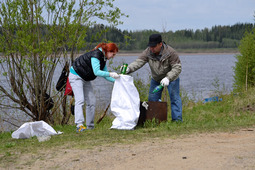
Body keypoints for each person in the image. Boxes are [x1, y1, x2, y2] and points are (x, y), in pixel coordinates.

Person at [124, 34, 182, 122]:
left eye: (154, 46)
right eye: (150, 46)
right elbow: (138, 62)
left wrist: (168, 78)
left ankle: (177, 120)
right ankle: (154, 120)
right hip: (156, 79)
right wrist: (129, 68)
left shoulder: (170, 52)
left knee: (174, 98)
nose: (152, 48)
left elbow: (177, 67)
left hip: (171, 79)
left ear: (160, 44)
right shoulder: (148, 52)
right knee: (152, 100)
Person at [69, 43, 120, 132]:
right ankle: (79, 125)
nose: (113, 56)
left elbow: (106, 76)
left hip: (85, 78)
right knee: (80, 100)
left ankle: (90, 127)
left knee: (91, 101)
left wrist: (118, 81)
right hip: (76, 75)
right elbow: (97, 72)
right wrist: (111, 73)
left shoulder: (103, 58)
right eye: (113, 54)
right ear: (108, 51)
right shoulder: (96, 55)